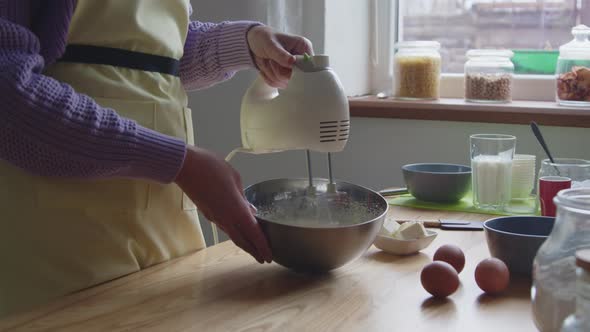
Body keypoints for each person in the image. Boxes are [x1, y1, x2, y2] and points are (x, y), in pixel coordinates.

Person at [0, 0, 313, 316]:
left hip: (167, 226)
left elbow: (146, 56)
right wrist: (181, 164)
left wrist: (247, 42)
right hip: (62, 240)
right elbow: (7, 94)